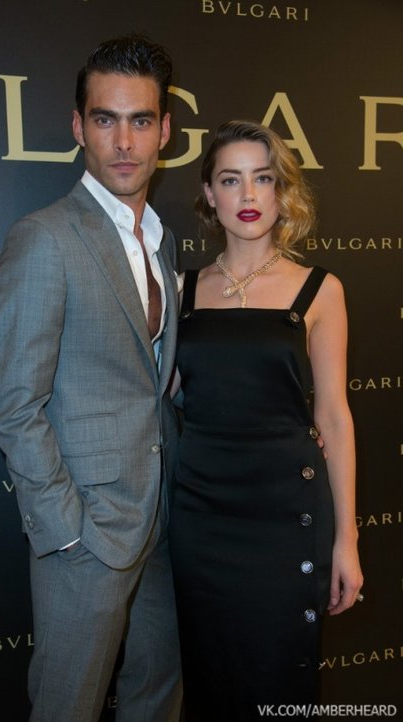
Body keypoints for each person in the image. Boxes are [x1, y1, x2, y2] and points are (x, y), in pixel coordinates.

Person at [0, 34, 182, 722]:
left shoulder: (160, 239)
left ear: (165, 131)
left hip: (161, 517)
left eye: (140, 120)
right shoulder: (45, 237)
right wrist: (66, 530)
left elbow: (149, 378)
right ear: (78, 126)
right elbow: (15, 403)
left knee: (158, 696)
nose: (124, 142)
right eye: (105, 119)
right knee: (68, 706)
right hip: (89, 533)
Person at [168, 120, 364, 721]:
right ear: (209, 194)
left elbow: (334, 416)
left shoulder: (320, 290)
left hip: (287, 515)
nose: (248, 195)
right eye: (231, 180)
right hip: (201, 516)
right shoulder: (180, 290)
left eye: (263, 178)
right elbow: (162, 394)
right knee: (211, 677)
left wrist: (347, 540)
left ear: (283, 191)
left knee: (279, 675)